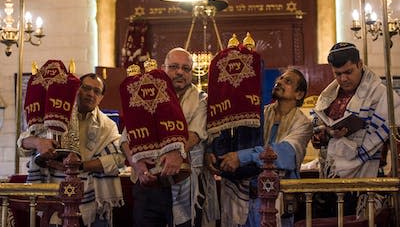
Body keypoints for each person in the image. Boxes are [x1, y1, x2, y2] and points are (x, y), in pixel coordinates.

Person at [122, 48, 215, 227]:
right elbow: (126, 138)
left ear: (192, 72)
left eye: (186, 68)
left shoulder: (202, 99)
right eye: (174, 67)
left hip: (185, 182)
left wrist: (176, 154)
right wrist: (137, 165)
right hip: (147, 183)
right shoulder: (145, 93)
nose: (180, 72)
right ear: (163, 68)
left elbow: (195, 134)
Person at [208, 68, 312, 226]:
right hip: (243, 194)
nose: (280, 82)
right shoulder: (258, 114)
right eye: (280, 79)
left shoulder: (303, 123)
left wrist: (241, 157)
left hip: (277, 198)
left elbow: (285, 153)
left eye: (288, 81)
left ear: (299, 94)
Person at [19, 72, 125, 227]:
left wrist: (80, 166)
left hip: (94, 200)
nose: (90, 94)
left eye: (96, 91)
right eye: (86, 88)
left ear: (101, 97)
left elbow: (119, 159)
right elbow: (22, 143)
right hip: (55, 198)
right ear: (76, 89)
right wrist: (38, 142)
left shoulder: (108, 125)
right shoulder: (55, 114)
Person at [311, 42, 400, 215]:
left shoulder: (381, 94)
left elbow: (394, 135)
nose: (343, 79)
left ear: (360, 64)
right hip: (332, 178)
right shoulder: (329, 96)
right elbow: (317, 138)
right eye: (338, 74)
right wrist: (327, 134)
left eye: (348, 72)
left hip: (369, 178)